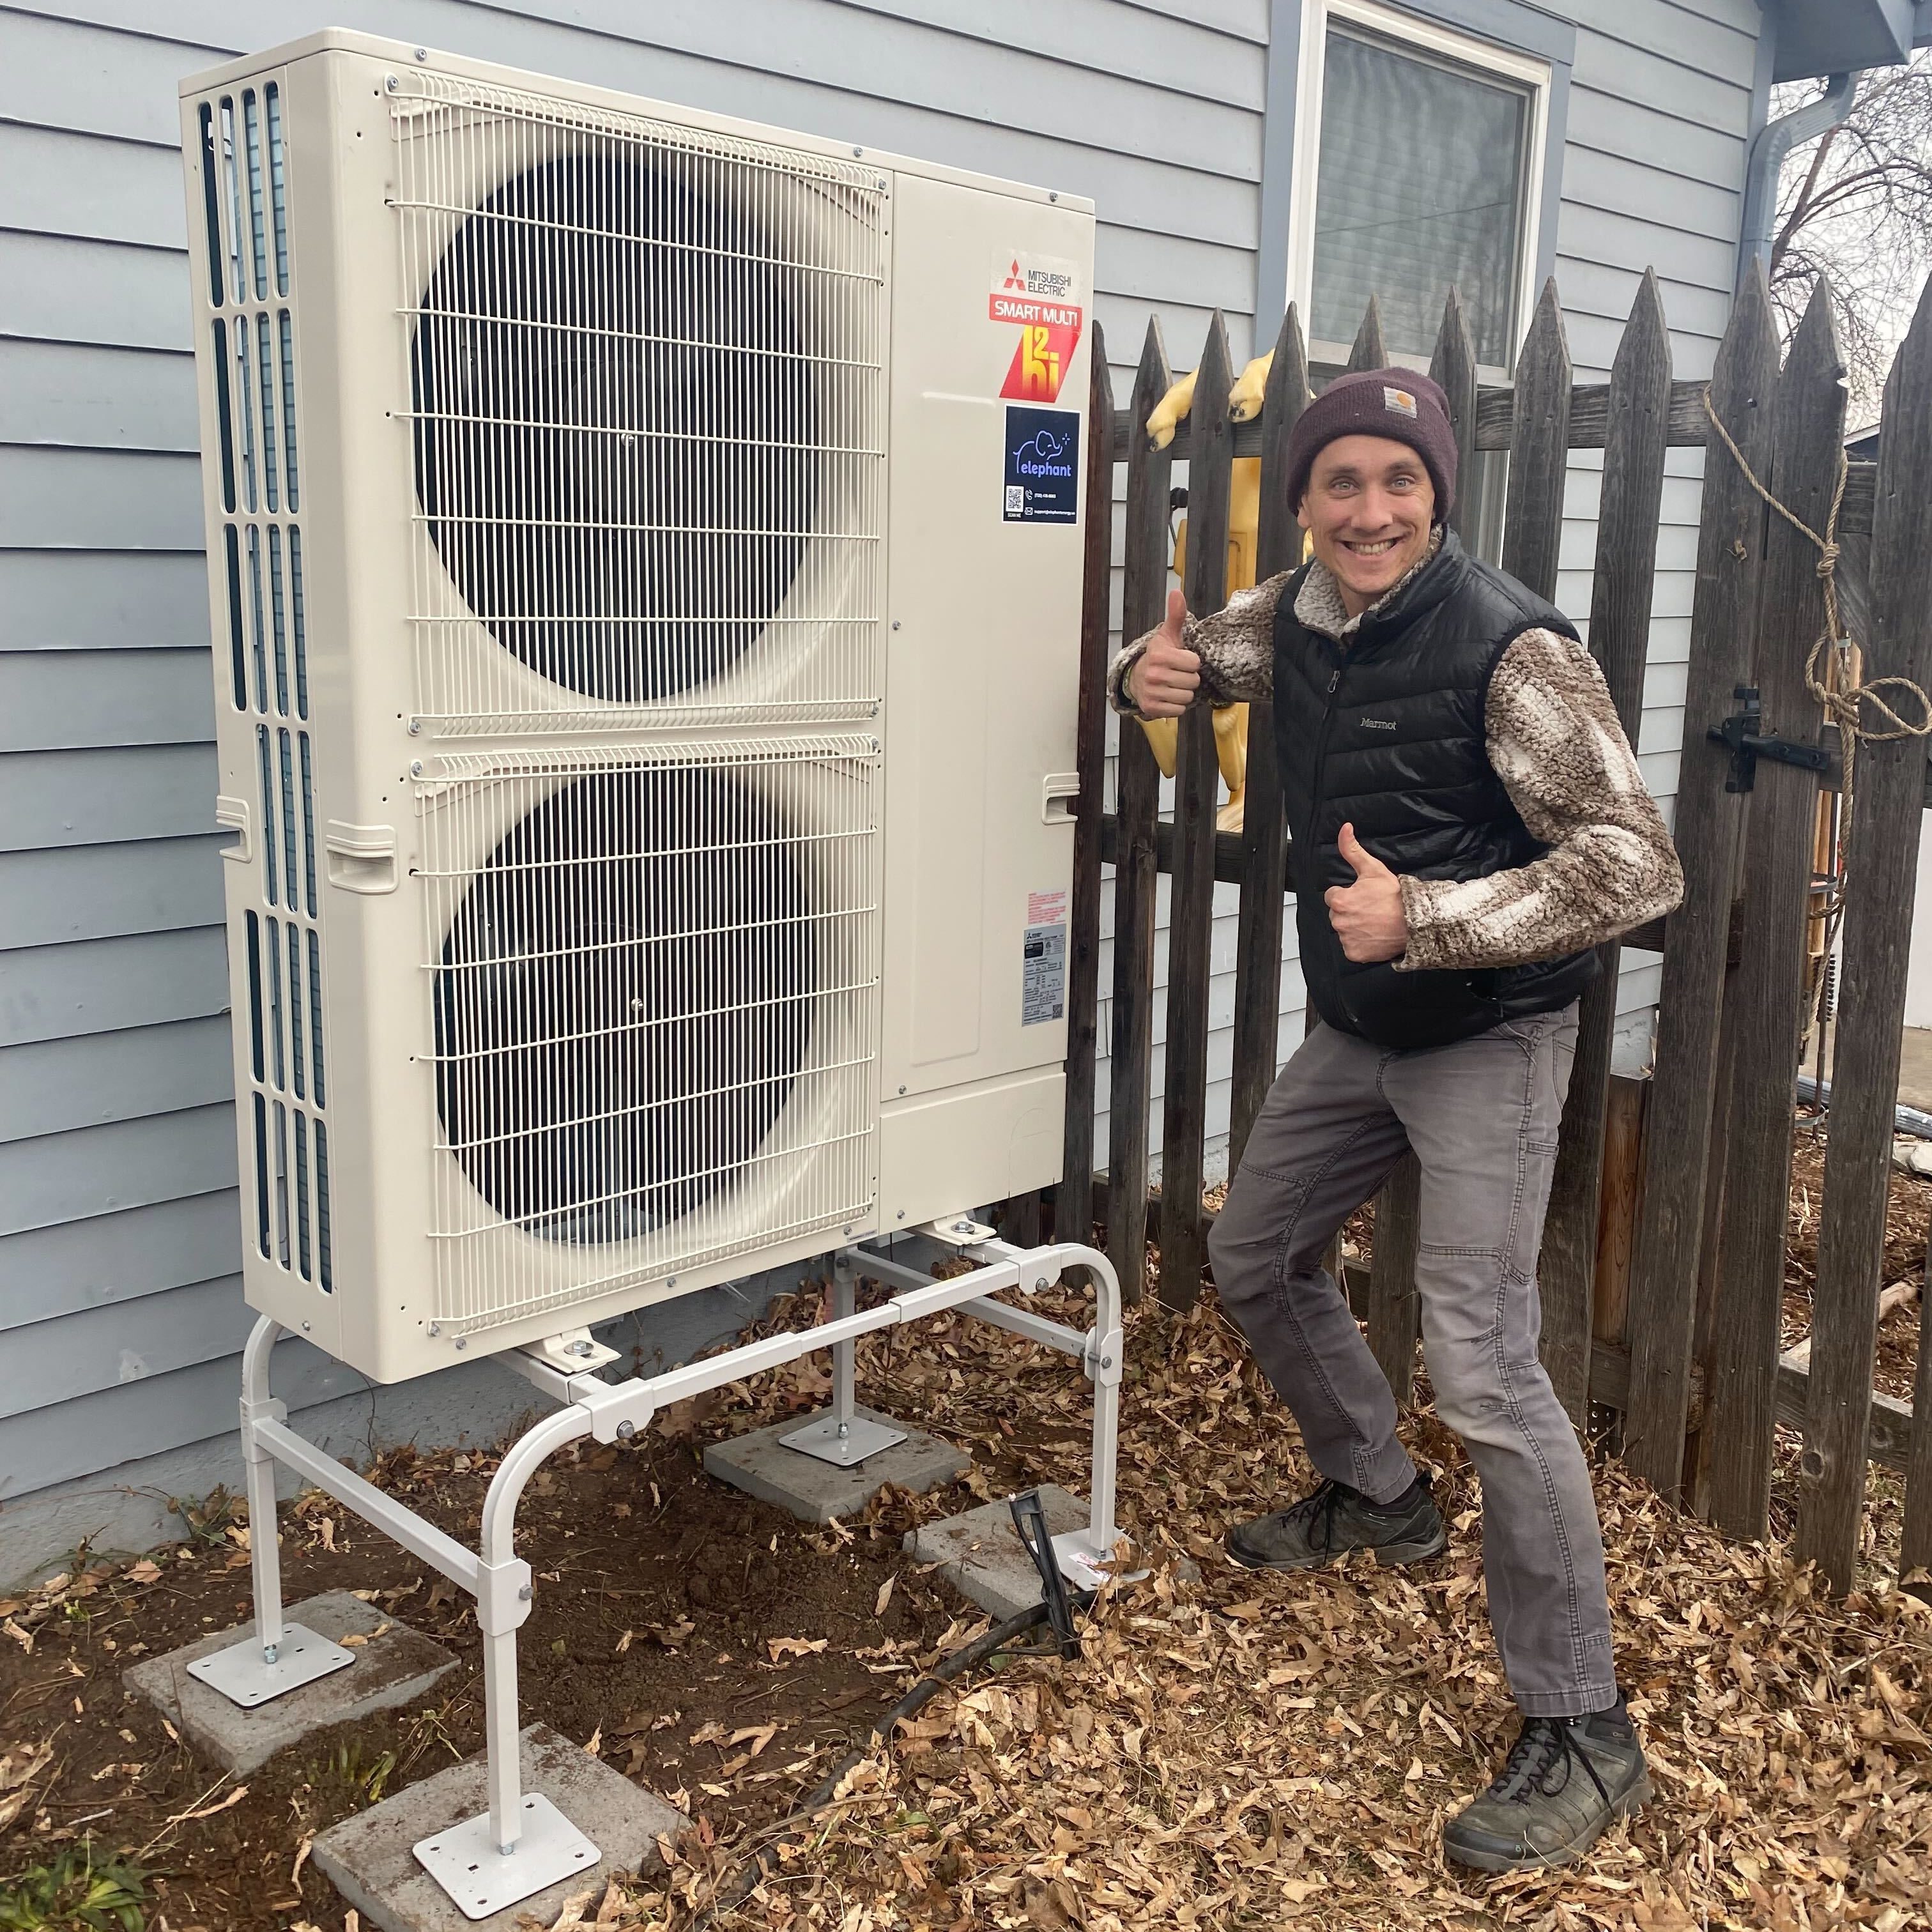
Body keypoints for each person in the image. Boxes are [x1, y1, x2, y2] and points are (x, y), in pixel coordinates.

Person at [1108, 367, 1683, 1873]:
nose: (1371, 511)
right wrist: (1136, 681)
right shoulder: (1294, 609)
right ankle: (1377, 1493)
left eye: (1398, 483)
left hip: (1485, 1033)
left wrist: (1427, 914)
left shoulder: (1518, 651)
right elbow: (1187, 661)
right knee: (1255, 1253)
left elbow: (1636, 865)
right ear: (1304, 499)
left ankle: (1585, 1729)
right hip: (1358, 1030)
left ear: (1437, 494)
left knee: (1487, 1363)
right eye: (1342, 482)